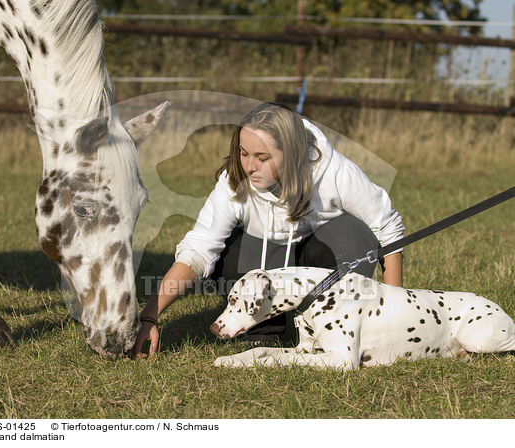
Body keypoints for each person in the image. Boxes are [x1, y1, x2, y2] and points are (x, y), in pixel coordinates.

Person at [133, 103, 404, 357]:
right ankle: (263, 331)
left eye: (262, 157)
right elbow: (198, 251)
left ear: (294, 154)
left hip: (314, 255)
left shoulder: (334, 173)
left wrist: (395, 314)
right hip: (265, 257)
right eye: (243, 153)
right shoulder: (235, 181)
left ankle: (338, 324)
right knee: (228, 251)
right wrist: (149, 316)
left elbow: (388, 228)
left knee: (357, 238)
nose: (249, 166)